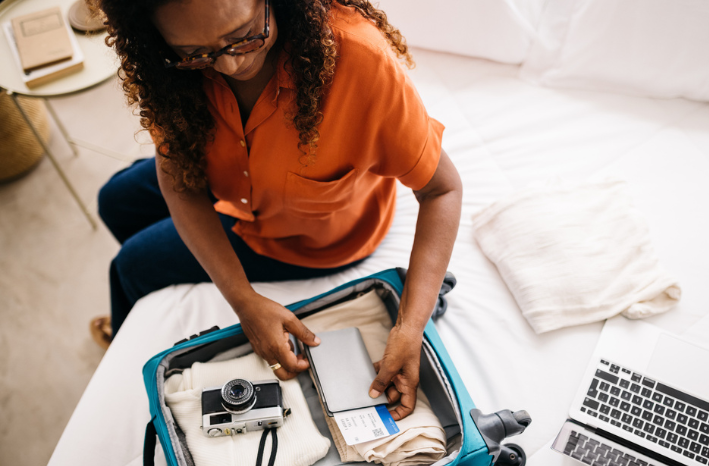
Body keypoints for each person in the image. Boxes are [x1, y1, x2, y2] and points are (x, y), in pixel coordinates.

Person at [90, 0, 462, 421]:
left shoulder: (362, 63)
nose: (230, 66)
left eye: (245, 35)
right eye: (198, 54)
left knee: (129, 268)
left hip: (307, 238)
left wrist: (411, 327)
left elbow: (442, 189)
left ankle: (122, 334)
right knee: (113, 201)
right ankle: (149, 304)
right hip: (223, 178)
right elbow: (180, 183)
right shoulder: (169, 69)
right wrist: (244, 302)